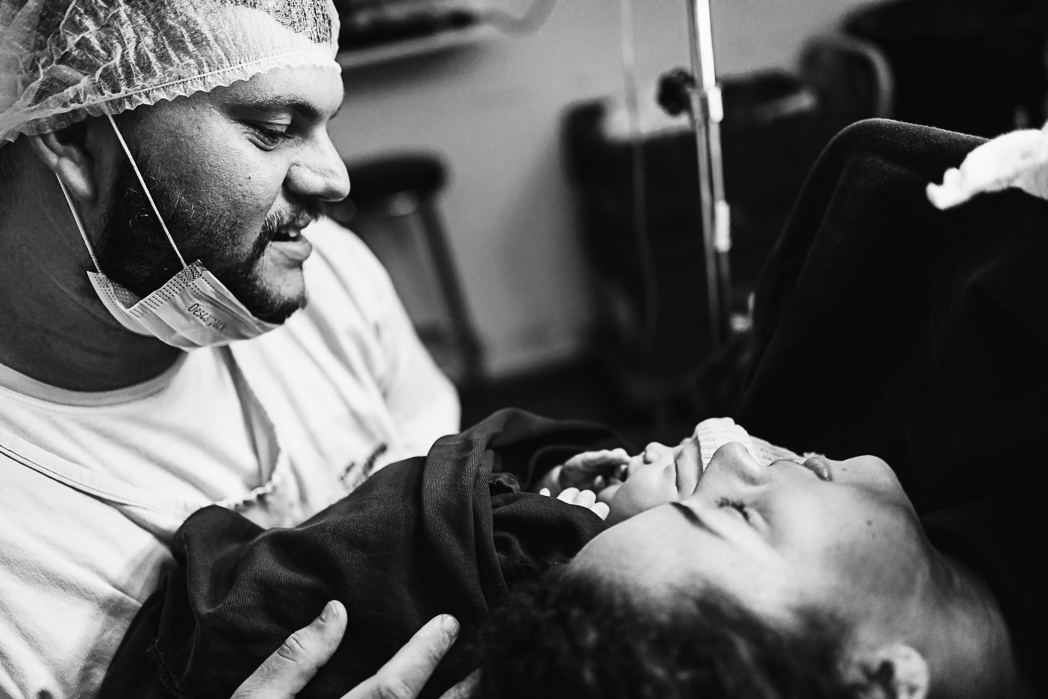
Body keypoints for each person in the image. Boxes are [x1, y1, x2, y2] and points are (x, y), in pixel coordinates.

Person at [0, 1, 461, 697]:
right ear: (73, 134)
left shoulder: (326, 277)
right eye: (274, 130)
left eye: (325, 125)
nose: (334, 179)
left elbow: (433, 430)